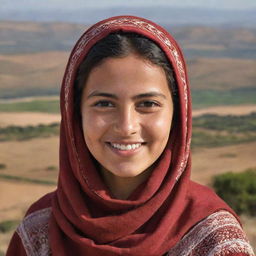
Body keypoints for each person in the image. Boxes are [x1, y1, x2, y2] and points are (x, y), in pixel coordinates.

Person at [6, 15, 254, 256]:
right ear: (75, 114)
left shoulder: (214, 240)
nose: (127, 127)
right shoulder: (40, 231)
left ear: (177, 116)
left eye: (147, 103)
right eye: (104, 104)